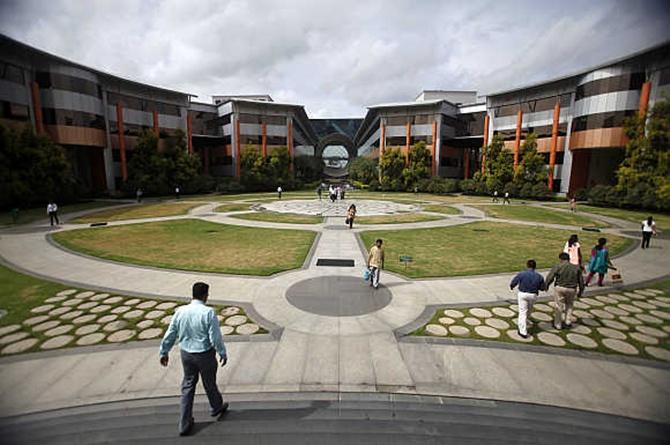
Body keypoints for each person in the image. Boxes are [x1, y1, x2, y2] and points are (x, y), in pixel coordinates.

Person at [159, 282, 229, 436]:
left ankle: (184, 423)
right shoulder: (208, 312)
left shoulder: (180, 311)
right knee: (209, 383)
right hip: (204, 354)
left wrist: (164, 351)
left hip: (186, 354)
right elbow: (215, 337)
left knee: (188, 386)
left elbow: (171, 333)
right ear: (205, 295)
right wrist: (222, 352)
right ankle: (216, 407)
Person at [545, 252, 585, 330]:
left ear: (560, 259)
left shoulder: (558, 266)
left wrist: (546, 285)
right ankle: (568, 321)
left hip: (560, 288)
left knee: (558, 306)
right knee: (569, 305)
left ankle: (558, 324)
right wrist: (581, 291)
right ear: (568, 259)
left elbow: (550, 277)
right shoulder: (576, 268)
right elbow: (581, 281)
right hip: (572, 289)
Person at [509, 259, 545, 338]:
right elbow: (542, 288)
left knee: (522, 312)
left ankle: (523, 331)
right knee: (529, 309)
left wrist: (512, 286)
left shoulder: (522, 274)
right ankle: (526, 321)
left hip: (523, 294)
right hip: (533, 295)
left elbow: (514, 282)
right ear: (535, 267)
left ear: (527, 265)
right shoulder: (539, 276)